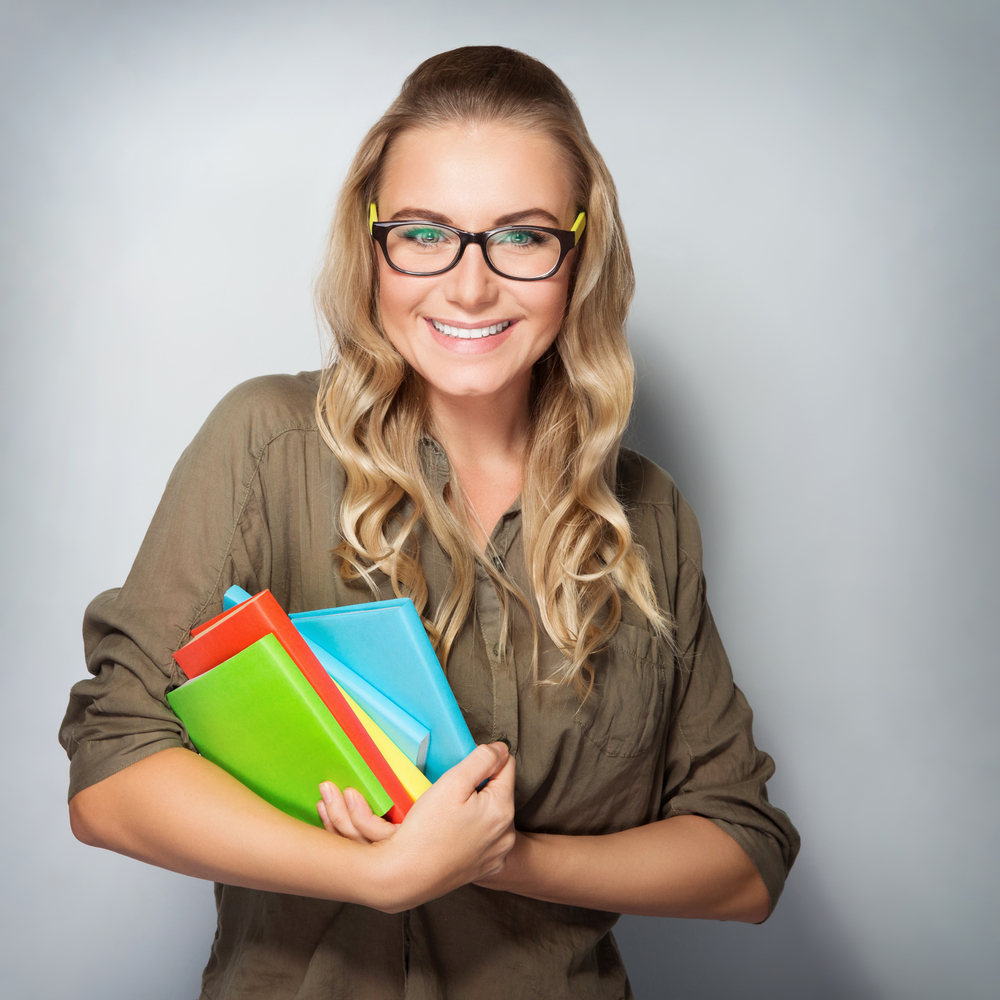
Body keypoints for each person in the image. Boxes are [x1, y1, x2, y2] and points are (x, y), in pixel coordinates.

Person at [60, 45, 799, 1000]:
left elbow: (744, 856)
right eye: (423, 232)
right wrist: (378, 874)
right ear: (372, 243)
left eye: (523, 237)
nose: (469, 286)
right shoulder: (265, 444)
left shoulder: (647, 514)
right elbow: (111, 775)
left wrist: (503, 857)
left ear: (581, 256)